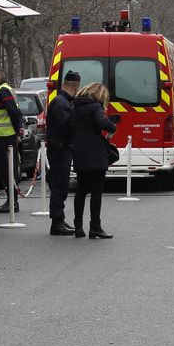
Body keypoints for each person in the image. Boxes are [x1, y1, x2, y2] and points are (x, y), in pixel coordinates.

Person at [72, 82, 117, 239]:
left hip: (79, 151)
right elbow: (103, 122)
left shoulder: (75, 106)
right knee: (96, 191)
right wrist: (112, 128)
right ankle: (95, 227)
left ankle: (78, 226)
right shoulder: (95, 107)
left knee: (81, 190)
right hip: (96, 153)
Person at [45, 71, 80, 236]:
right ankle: (57, 222)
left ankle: (59, 219)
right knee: (59, 186)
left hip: (60, 149)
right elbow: (66, 127)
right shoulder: (62, 103)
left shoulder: (62, 101)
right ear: (75, 86)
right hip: (60, 150)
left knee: (60, 185)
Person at [0, 68, 25, 214]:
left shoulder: (2, 90)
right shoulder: (3, 90)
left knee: (6, 170)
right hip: (4, 138)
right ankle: (12, 202)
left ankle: (12, 203)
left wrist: (17, 131)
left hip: (5, 138)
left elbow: (13, 112)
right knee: (7, 170)